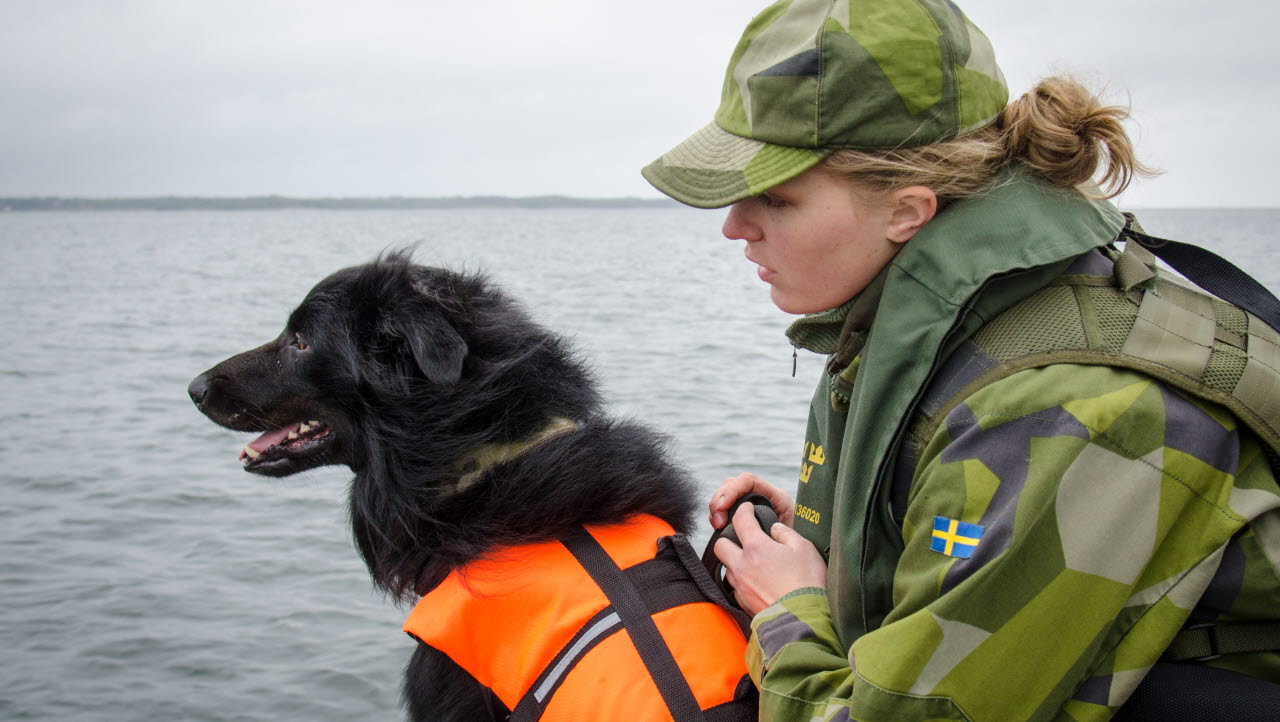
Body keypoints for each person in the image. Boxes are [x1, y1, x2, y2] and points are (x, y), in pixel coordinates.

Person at [641, 0, 1280, 719]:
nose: (735, 227)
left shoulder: (1065, 409)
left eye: (777, 199)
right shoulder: (970, 313)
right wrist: (859, 537)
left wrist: (786, 611)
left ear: (908, 211)